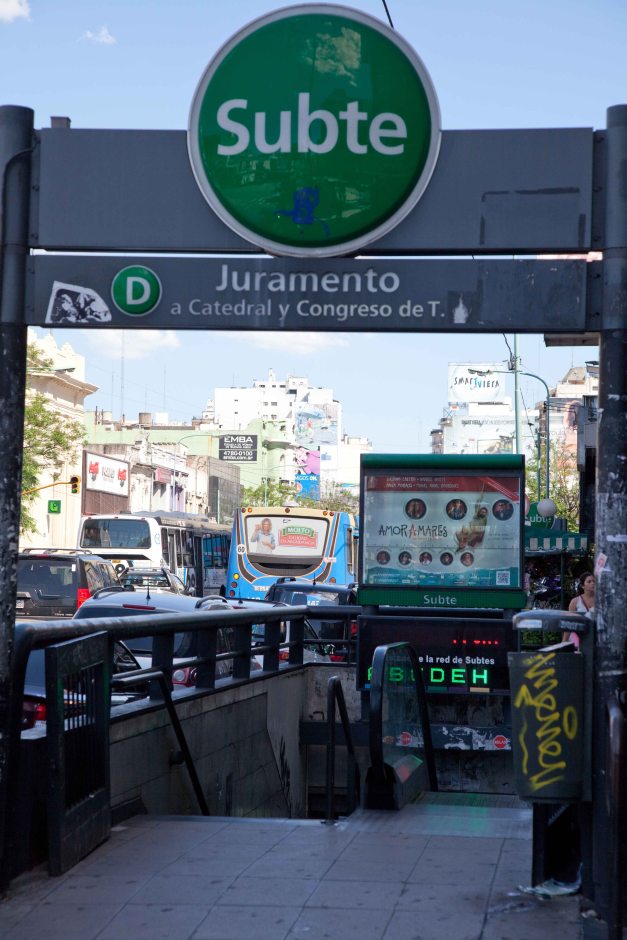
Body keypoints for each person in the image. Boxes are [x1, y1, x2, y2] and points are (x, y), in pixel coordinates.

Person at [564, 571, 595, 647]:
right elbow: (569, 622)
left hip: (596, 637)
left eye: (594, 581)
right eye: (589, 582)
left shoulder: (601, 601)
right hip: (578, 638)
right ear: (582, 585)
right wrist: (564, 641)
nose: (592, 583)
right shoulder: (575, 601)